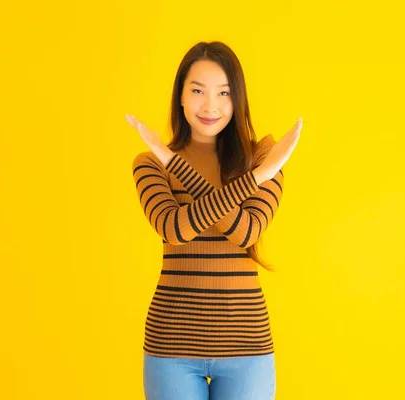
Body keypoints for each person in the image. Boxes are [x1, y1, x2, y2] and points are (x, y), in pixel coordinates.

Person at [126, 41, 302, 400]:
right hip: (171, 346)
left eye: (223, 93)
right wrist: (254, 180)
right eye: (198, 91)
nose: (210, 105)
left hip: (247, 346)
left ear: (237, 100)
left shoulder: (264, 159)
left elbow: (247, 231)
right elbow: (173, 228)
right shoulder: (150, 163)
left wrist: (258, 173)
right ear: (181, 97)